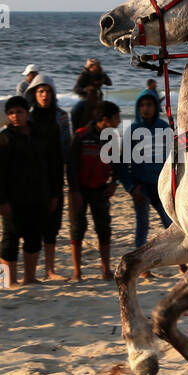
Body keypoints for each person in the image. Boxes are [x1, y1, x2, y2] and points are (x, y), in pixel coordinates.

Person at [0, 96, 58, 288]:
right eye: (11, 113)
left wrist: (53, 194)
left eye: (19, 112)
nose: (15, 116)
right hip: (12, 198)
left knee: (33, 237)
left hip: (38, 196)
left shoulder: (40, 137)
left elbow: (51, 167)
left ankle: (30, 278)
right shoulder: (3, 139)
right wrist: (1, 200)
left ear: (27, 113)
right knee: (9, 239)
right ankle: (6, 281)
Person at [67, 101, 122, 280]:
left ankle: (106, 270)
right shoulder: (81, 135)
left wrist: (114, 183)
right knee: (77, 229)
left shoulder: (112, 138)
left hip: (100, 190)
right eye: (116, 117)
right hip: (79, 191)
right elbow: (71, 166)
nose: (119, 121)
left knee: (104, 229)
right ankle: (77, 272)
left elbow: (118, 164)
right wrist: (74, 191)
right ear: (105, 119)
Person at [26, 73, 71, 279]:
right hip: (31, 178)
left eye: (47, 92)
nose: (44, 95)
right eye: (40, 91)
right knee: (32, 226)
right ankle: (30, 272)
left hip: (54, 175)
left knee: (52, 225)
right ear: (34, 94)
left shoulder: (61, 117)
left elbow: (66, 149)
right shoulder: (28, 117)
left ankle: (50, 270)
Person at [116, 89, 173, 248]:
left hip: (162, 186)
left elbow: (173, 159)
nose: (146, 108)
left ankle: (181, 263)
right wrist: (131, 188)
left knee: (170, 223)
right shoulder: (132, 130)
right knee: (143, 225)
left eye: (149, 104)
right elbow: (121, 165)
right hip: (141, 187)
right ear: (137, 108)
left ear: (156, 106)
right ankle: (141, 267)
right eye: (142, 105)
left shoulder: (165, 128)